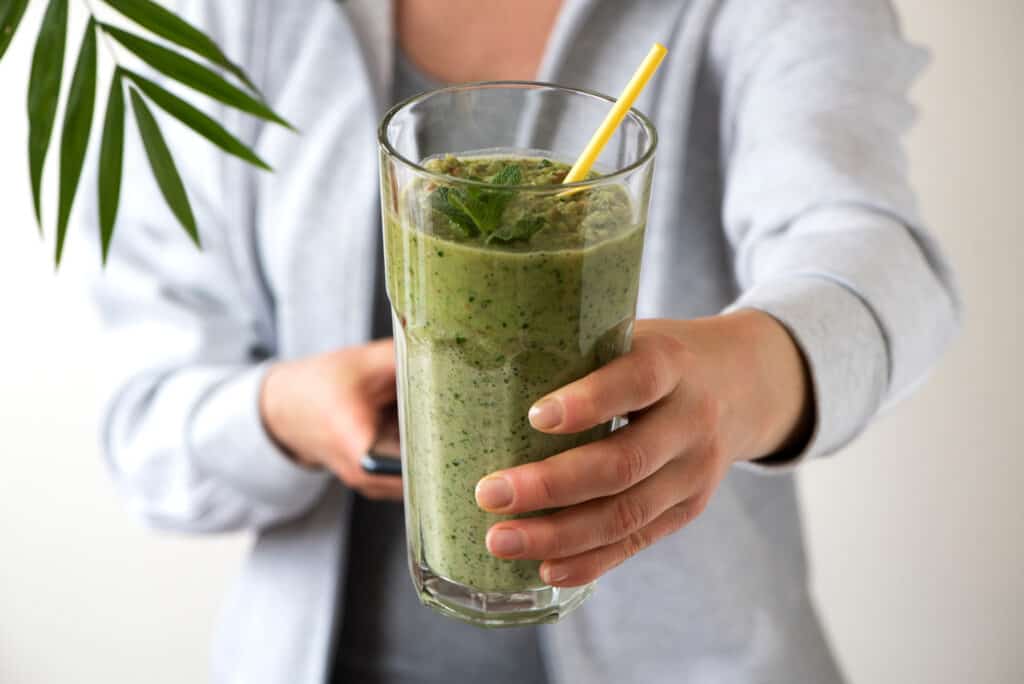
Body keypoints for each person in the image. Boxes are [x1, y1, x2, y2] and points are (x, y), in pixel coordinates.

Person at [81, 0, 960, 682]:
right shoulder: (230, 18)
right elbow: (145, 429)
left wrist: (748, 375)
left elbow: (878, 257)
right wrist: (282, 414)